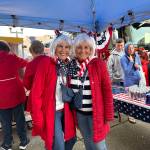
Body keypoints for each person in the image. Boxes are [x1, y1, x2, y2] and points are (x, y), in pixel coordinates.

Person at [30, 34, 76, 150]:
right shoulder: (45, 63)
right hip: (52, 111)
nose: (64, 50)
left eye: (67, 47)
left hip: (66, 109)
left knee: (71, 139)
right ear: (54, 47)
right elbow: (36, 94)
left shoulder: (69, 65)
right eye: (60, 46)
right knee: (57, 144)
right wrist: (38, 119)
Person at [69, 33, 114, 150]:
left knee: (99, 145)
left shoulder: (98, 64)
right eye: (79, 47)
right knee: (88, 143)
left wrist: (108, 114)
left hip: (96, 114)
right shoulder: (71, 66)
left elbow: (107, 90)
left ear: (91, 49)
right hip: (80, 114)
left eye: (86, 47)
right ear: (75, 48)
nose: (82, 50)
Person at [0, 41, 29, 150]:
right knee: (20, 119)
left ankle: (7, 144)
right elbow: (25, 63)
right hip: (16, 92)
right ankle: (23, 141)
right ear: (7, 48)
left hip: (1, 96)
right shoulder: (12, 57)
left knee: (5, 122)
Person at [120, 42, 142, 123]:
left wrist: (138, 66)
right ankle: (130, 115)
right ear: (126, 49)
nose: (131, 50)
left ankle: (135, 113)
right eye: (129, 48)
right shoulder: (123, 58)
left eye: (132, 48)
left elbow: (140, 66)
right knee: (130, 99)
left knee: (137, 98)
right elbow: (126, 71)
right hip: (129, 81)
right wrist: (131, 62)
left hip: (137, 80)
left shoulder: (136, 55)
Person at [23, 40, 46, 112]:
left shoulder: (31, 64)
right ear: (42, 49)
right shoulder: (51, 61)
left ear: (31, 51)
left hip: (37, 96)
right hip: (52, 97)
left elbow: (27, 84)